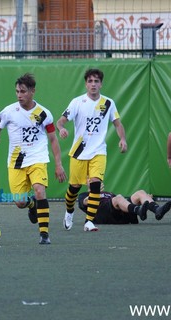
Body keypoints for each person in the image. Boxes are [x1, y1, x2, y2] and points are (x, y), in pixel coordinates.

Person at [0, 73, 67, 244]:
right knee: (20, 202)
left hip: (37, 158)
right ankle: (31, 205)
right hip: (16, 162)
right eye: (17, 91)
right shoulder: (9, 111)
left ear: (32, 91)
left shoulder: (43, 113)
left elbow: (53, 139)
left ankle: (44, 235)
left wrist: (58, 165)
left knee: (40, 190)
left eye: (23, 91)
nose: (19, 95)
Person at [56, 68, 127, 232]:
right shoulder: (77, 102)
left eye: (96, 81)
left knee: (95, 185)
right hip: (79, 152)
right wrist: (61, 129)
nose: (93, 84)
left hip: (99, 151)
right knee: (74, 188)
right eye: (90, 81)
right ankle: (69, 211)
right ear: (86, 84)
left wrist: (122, 139)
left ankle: (89, 221)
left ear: (101, 84)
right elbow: (60, 121)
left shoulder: (108, 103)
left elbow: (117, 124)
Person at [78, 189, 171, 224]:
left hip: (121, 213)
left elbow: (122, 203)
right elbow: (84, 202)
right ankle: (138, 210)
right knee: (118, 198)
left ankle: (157, 210)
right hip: (106, 216)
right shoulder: (84, 195)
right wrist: (95, 191)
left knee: (140, 193)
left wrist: (146, 199)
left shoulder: (109, 193)